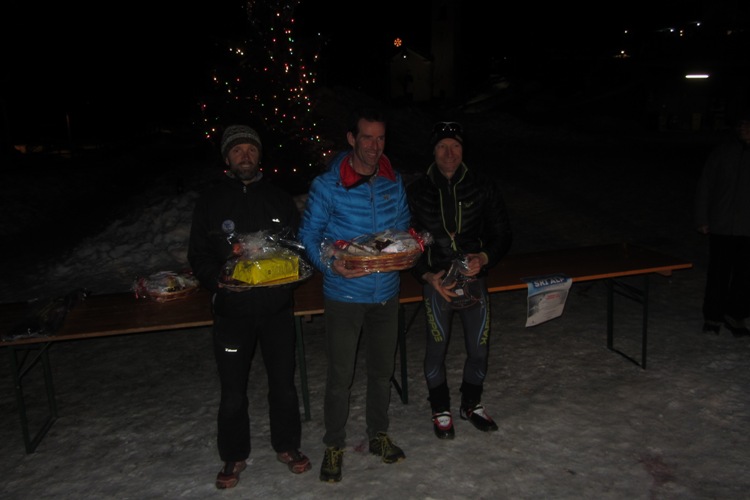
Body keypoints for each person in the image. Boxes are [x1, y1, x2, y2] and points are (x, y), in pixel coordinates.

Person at [187, 125, 311, 489]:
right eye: (238, 150)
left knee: (283, 386)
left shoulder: (278, 199)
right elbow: (198, 254)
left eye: (251, 149)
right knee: (232, 392)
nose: (245, 155)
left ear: (260, 155)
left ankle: (287, 445)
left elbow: (298, 249)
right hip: (232, 312)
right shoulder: (210, 202)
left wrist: (288, 276)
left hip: (276, 310)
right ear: (227, 157)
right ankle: (234, 454)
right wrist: (218, 279)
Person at [298, 107, 411, 482]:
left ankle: (378, 435)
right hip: (345, 295)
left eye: (380, 138)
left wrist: (406, 250)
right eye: (367, 138)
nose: (374, 147)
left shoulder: (393, 181)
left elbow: (402, 229)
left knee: (381, 372)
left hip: (386, 293)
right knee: (340, 377)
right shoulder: (327, 185)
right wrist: (331, 265)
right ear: (351, 139)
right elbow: (309, 236)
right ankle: (334, 444)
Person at [406, 121, 512, 439]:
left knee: (479, 349)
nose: (449, 153)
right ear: (433, 151)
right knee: (436, 348)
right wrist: (425, 274)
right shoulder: (417, 191)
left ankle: (471, 403)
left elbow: (502, 233)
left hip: (473, 280)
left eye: (455, 146)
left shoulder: (482, 186)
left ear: (463, 150)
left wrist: (484, 258)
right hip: (437, 283)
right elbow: (405, 242)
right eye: (442, 146)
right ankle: (440, 408)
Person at [695, 109, 750, 337]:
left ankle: (736, 316)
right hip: (722, 224)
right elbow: (706, 185)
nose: (744, 129)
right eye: (742, 125)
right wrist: (702, 218)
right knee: (718, 273)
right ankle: (712, 316)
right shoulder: (723, 152)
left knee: (744, 275)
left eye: (748, 125)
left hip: (747, 227)